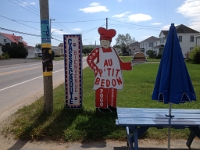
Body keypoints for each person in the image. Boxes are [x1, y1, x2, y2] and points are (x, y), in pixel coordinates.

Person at [87, 27, 132, 112]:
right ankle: (101, 107)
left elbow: (119, 63)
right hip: (101, 75)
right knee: (101, 90)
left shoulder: (113, 50)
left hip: (112, 75)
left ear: (110, 42)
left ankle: (112, 106)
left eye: (107, 41)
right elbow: (89, 59)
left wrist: (130, 65)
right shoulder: (97, 50)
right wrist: (96, 69)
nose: (105, 43)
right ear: (100, 41)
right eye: (103, 41)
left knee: (112, 89)